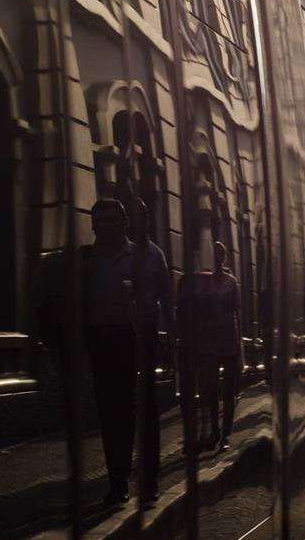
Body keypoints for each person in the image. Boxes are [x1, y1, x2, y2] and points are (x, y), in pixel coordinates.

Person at [82, 199, 140, 504]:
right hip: (97, 342)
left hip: (129, 341)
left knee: (125, 410)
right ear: (92, 225)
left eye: (112, 220)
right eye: (100, 220)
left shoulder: (142, 256)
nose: (105, 225)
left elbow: (157, 300)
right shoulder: (84, 260)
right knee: (107, 412)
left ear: (125, 222)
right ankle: (116, 476)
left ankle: (122, 475)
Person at [128, 199, 172, 502]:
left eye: (142, 216)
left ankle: (150, 475)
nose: (138, 221)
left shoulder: (156, 256)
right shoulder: (119, 253)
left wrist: (169, 342)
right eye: (134, 217)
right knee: (126, 405)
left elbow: (167, 301)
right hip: (120, 335)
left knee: (148, 407)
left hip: (145, 334)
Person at [180, 242, 242, 452]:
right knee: (211, 388)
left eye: (220, 254)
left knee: (228, 391)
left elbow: (236, 314)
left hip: (228, 339)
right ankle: (214, 431)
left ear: (223, 258)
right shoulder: (202, 282)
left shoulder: (231, 282)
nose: (216, 258)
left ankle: (226, 433)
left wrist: (239, 345)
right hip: (208, 340)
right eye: (214, 254)